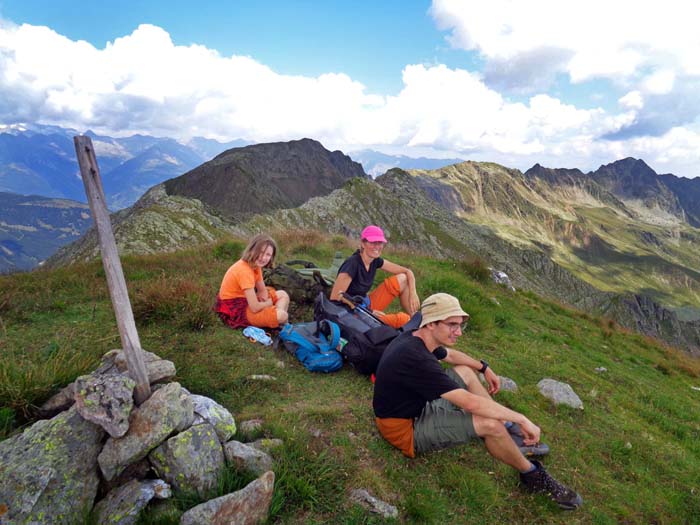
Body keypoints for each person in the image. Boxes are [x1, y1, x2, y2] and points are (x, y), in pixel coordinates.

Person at [372, 293, 582, 510]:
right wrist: (521, 418)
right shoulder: (416, 357)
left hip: (415, 407)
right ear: (431, 323)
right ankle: (533, 476)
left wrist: (483, 367)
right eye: (452, 325)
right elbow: (470, 403)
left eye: (460, 325)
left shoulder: (418, 336)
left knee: (465, 372)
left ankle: (507, 429)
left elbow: (451, 357)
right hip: (404, 429)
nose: (459, 332)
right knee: (489, 424)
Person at [330, 225, 419, 329]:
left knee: (403, 279)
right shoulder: (352, 264)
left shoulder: (375, 261)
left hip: (365, 304)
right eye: (373, 242)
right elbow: (336, 298)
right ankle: (413, 328)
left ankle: (417, 320)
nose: (377, 246)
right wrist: (369, 312)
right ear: (363, 243)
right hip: (352, 312)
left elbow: (407, 272)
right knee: (403, 320)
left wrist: (413, 293)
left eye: (380, 242)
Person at [215, 234, 290, 330]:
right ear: (252, 250)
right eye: (261, 252)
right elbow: (254, 307)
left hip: (247, 300)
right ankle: (277, 321)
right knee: (283, 315)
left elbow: (262, 290)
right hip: (237, 309)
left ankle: (276, 321)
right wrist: (268, 304)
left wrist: (265, 303)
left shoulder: (255, 265)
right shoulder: (244, 271)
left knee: (283, 295)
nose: (263, 258)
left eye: (268, 254)